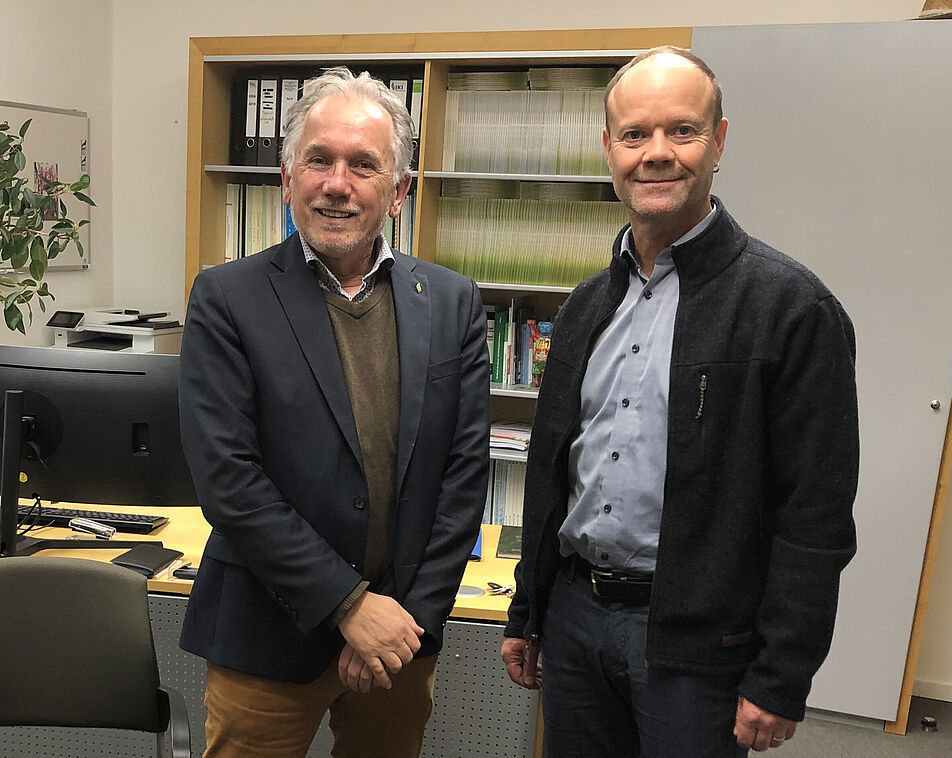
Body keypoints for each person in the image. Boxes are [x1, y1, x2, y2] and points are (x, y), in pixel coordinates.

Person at [501, 47, 859, 757]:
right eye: (635, 135)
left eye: (682, 131)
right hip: (573, 622)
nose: (656, 154)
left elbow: (814, 516)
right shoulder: (583, 308)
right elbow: (551, 474)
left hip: (697, 645)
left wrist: (782, 674)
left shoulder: (790, 308)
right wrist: (529, 610)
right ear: (609, 149)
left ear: (719, 140)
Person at [178, 66, 490, 758]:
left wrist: (405, 617)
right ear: (287, 180)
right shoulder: (227, 298)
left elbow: (463, 478)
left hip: (399, 641)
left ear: (399, 191)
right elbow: (230, 483)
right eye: (317, 160)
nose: (336, 183)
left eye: (362, 164)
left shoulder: (454, 302)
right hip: (266, 634)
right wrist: (350, 606)